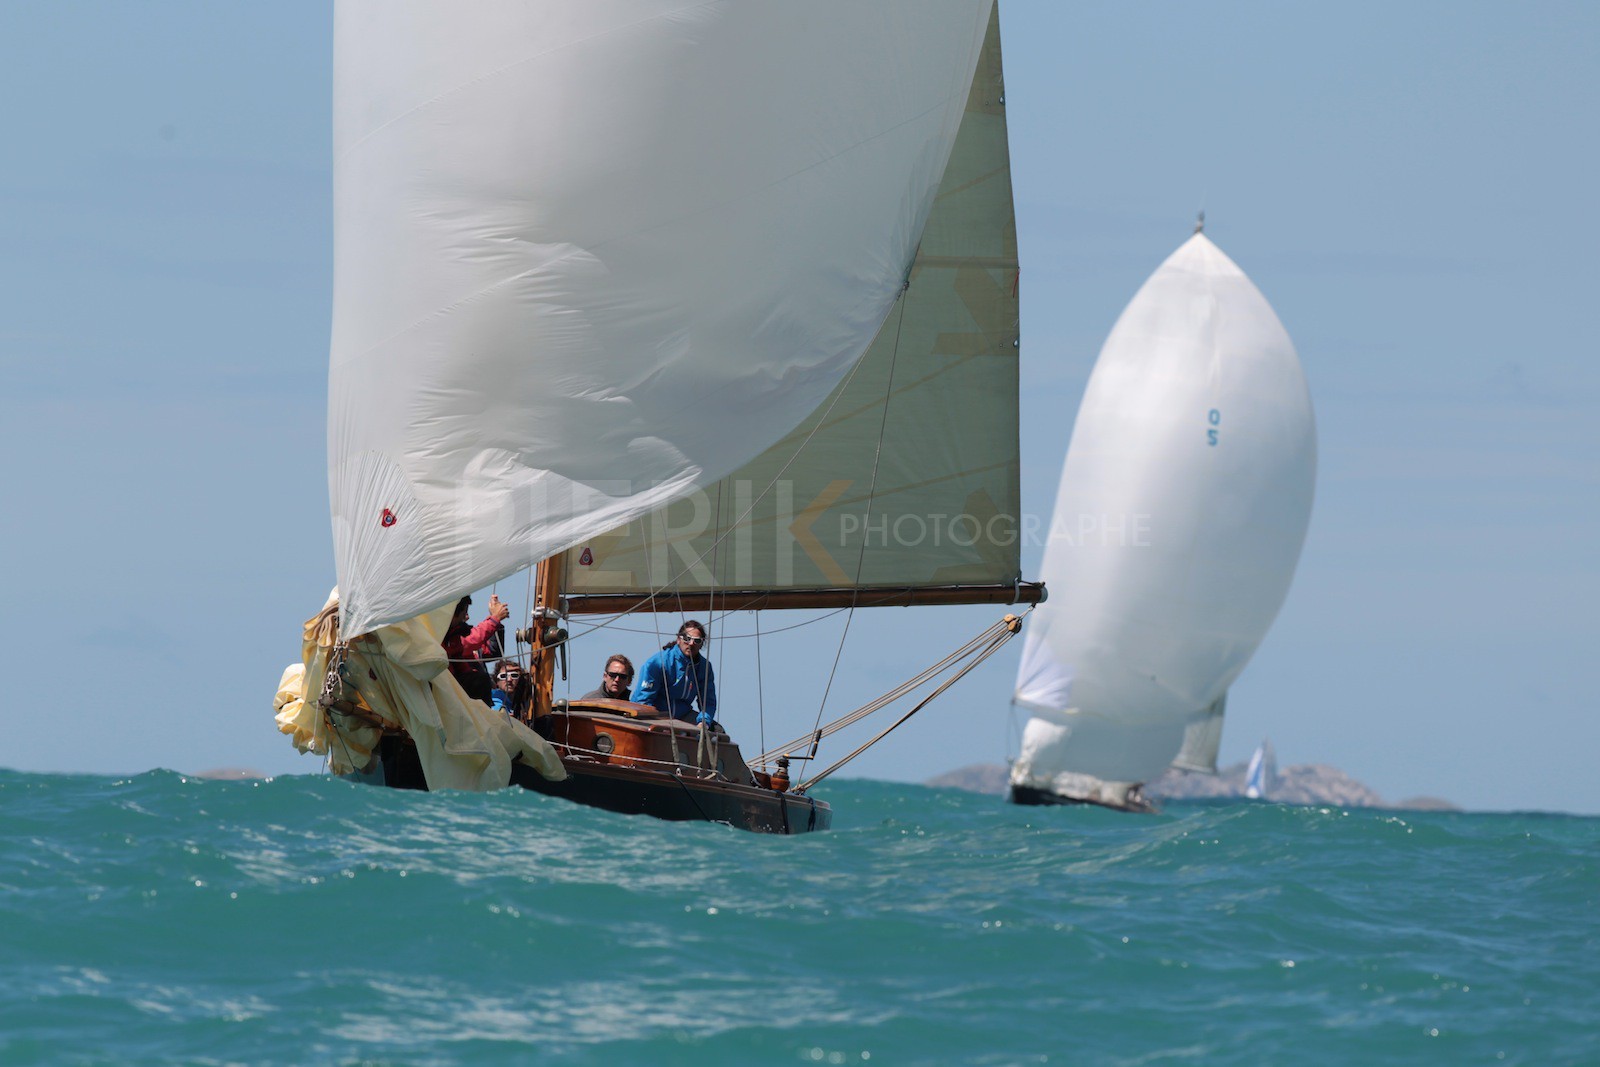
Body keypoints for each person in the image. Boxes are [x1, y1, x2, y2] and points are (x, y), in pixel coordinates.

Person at [631, 621, 717, 725]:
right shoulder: (657, 663)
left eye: (697, 641)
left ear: (702, 644)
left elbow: (707, 701)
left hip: (682, 715)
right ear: (678, 639)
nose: (691, 643)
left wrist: (704, 722)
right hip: (655, 714)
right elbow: (643, 701)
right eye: (687, 638)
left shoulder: (704, 667)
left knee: (718, 732)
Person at [444, 594, 509, 704]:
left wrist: (497, 624)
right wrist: (494, 619)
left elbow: (493, 651)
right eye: (465, 613)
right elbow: (469, 641)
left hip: (459, 691)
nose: (467, 617)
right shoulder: (444, 635)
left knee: (480, 680)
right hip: (447, 693)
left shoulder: (455, 636)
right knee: (479, 681)